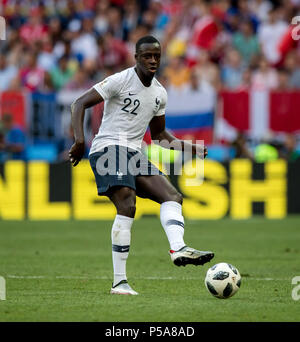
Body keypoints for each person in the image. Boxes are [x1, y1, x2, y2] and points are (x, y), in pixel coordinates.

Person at [69, 36, 214, 296]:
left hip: (133, 152)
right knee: (128, 204)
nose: (152, 60)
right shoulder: (119, 80)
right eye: (147, 56)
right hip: (108, 148)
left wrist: (190, 147)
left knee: (172, 196)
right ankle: (119, 283)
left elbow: (159, 137)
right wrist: (80, 140)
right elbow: (79, 103)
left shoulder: (159, 93)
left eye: (156, 56)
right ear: (136, 57)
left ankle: (178, 247)